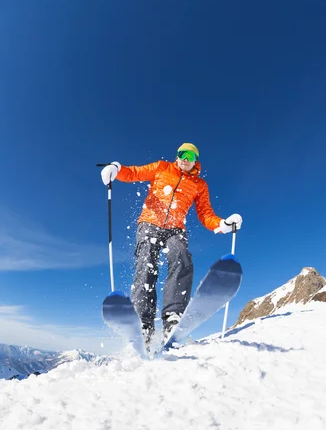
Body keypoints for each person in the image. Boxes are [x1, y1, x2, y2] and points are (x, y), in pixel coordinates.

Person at [101, 143, 242, 342]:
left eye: (190, 156)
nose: (186, 158)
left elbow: (205, 214)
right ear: (176, 156)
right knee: (146, 262)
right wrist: (116, 169)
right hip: (150, 222)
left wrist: (222, 224)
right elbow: (134, 173)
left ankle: (173, 317)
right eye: (182, 154)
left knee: (182, 258)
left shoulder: (199, 185)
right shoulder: (161, 168)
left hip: (176, 229)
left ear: (196, 161)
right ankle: (143, 321)